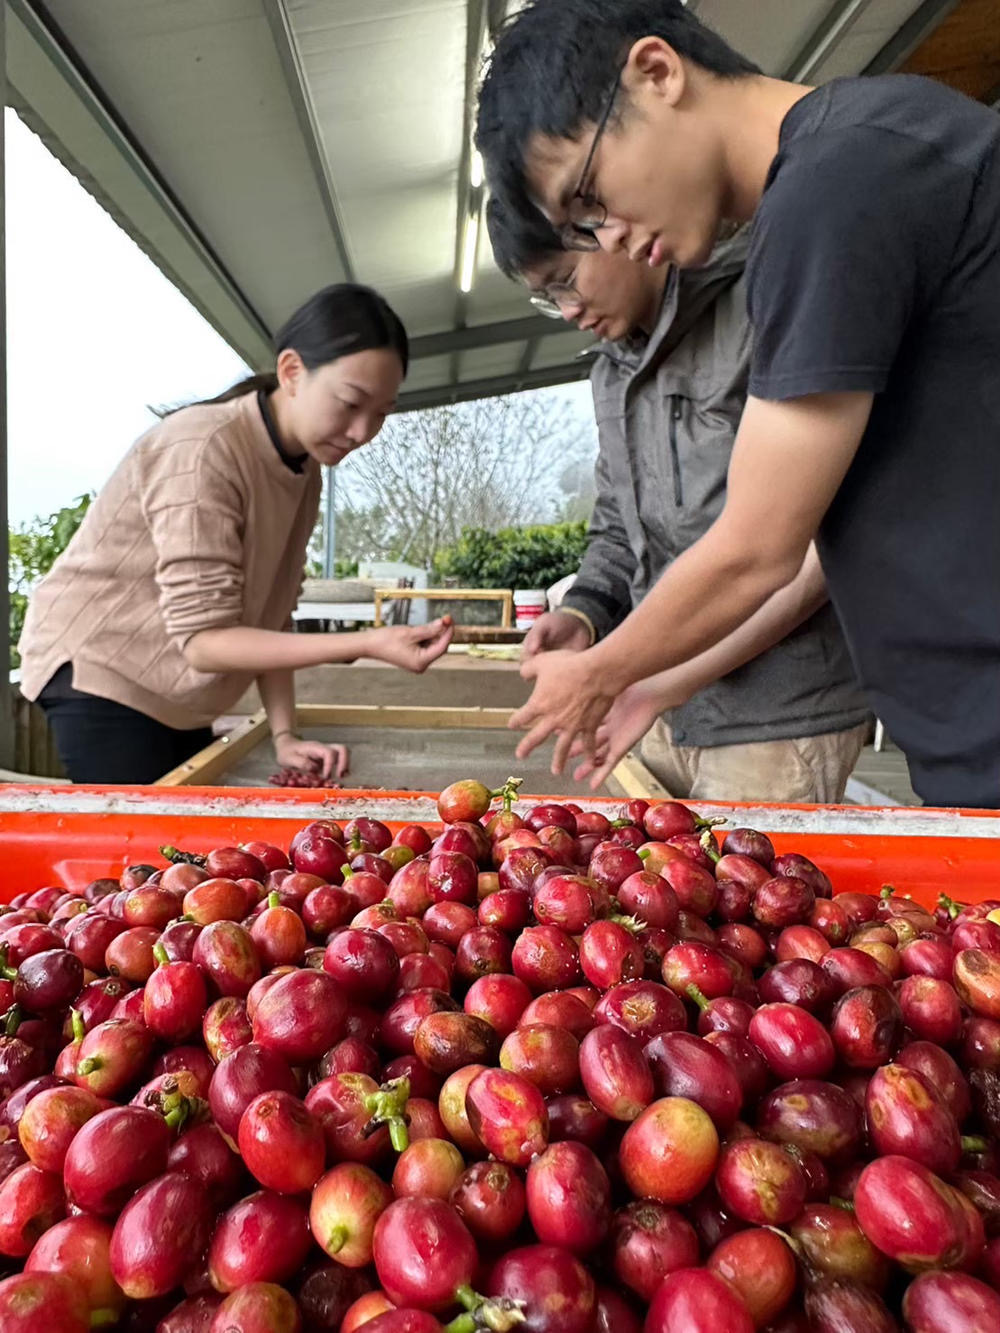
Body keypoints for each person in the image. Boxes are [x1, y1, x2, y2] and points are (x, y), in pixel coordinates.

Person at [476, 0, 1000, 808]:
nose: (608, 237)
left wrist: (605, 670)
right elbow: (813, 539)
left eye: (590, 198)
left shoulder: (834, 188)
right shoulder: (854, 165)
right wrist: (654, 681)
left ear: (656, 72)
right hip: (961, 730)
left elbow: (759, 545)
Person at [486, 196, 869, 801]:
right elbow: (617, 527)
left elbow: (806, 557)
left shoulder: (761, 312)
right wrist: (583, 615)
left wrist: (643, 678)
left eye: (565, 281)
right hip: (657, 707)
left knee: (758, 893)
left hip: (774, 718)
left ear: (613, 225)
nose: (567, 310)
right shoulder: (611, 371)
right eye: (547, 298)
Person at [18, 284, 454, 785]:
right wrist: (367, 642)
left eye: (380, 413)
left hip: (179, 695)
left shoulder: (303, 468)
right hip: (104, 672)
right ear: (291, 371)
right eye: (351, 402)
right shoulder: (203, 447)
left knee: (185, 852)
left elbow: (274, 612)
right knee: (143, 856)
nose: (361, 431)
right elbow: (204, 642)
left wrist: (285, 734)